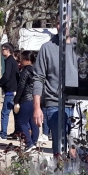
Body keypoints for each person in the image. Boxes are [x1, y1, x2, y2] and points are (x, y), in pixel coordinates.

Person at [33, 25, 78, 157]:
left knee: (79, 148)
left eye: (68, 21)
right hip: (55, 104)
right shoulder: (47, 48)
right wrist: (37, 107)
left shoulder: (81, 48)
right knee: (59, 150)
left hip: (78, 105)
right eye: (59, 22)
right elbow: (38, 78)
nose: (64, 25)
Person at [0, 43, 18, 140]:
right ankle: (17, 133)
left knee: (5, 113)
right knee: (16, 114)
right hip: (14, 91)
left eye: (3, 49)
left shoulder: (9, 61)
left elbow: (7, 76)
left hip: (10, 92)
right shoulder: (13, 61)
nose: (2, 51)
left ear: (8, 50)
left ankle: (3, 134)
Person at [14, 51, 39, 150]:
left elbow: (21, 87)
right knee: (34, 122)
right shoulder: (37, 70)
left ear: (27, 60)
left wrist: (16, 100)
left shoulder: (25, 71)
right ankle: (34, 142)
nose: (20, 62)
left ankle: (29, 143)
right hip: (35, 99)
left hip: (26, 98)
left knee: (21, 122)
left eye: (22, 59)